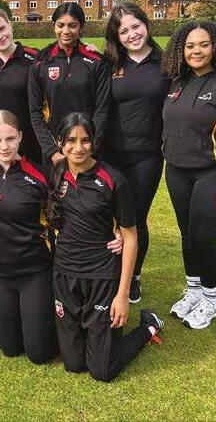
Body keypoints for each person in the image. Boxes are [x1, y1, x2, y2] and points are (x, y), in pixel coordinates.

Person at [49, 112, 164, 382]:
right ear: (59, 142)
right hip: (65, 275)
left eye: (85, 140)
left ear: (95, 141)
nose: (78, 148)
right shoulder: (56, 172)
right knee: (73, 364)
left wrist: (122, 295)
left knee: (102, 371)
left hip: (101, 276)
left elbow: (131, 237)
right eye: (71, 140)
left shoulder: (113, 180)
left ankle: (148, 327)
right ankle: (93, 333)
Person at [162, 21, 216, 329]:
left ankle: (211, 299)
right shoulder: (176, 82)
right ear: (181, 49)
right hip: (176, 172)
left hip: (211, 174)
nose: (196, 51)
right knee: (187, 235)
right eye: (190, 46)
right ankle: (194, 291)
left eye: (203, 44)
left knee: (203, 238)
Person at [0, 110, 57, 364]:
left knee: (39, 354)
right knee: (10, 349)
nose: (4, 146)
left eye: (10, 138)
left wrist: (114, 232)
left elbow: (65, 215)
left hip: (33, 271)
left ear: (21, 136)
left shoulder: (39, 176)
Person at [103, 2, 169, 303]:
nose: (132, 34)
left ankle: (134, 276)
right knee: (108, 216)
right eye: (124, 31)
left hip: (147, 155)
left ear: (146, 24)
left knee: (135, 218)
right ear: (116, 37)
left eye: (135, 26)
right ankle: (108, 272)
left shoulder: (167, 63)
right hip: (110, 154)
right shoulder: (109, 63)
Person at [28, 3, 110, 173]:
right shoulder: (41, 61)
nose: (66, 31)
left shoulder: (97, 62)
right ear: (54, 26)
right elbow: (35, 112)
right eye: (60, 25)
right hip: (55, 152)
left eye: (72, 25)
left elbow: (102, 110)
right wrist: (52, 151)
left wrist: (89, 147)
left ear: (81, 27)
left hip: (87, 150)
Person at [0, 7, 41, 163]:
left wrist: (83, 48)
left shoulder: (34, 58)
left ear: (10, 24)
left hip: (29, 143)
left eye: (2, 29)